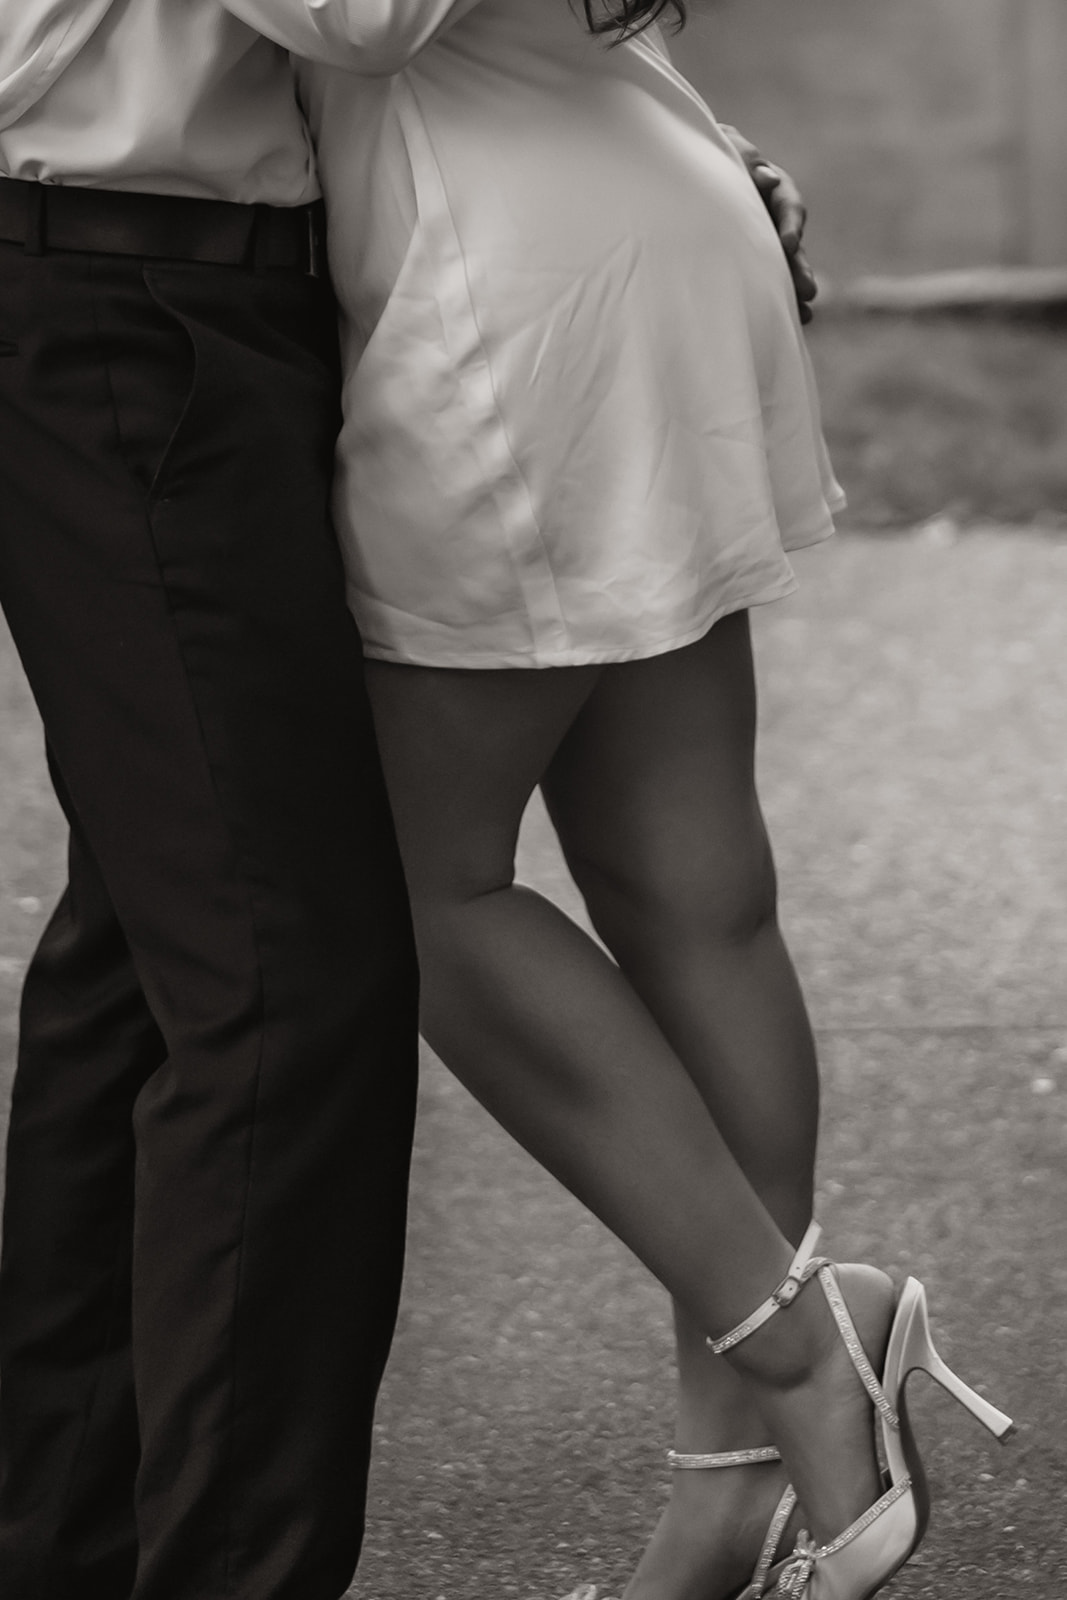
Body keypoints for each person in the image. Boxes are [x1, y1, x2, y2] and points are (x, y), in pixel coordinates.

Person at [217, 2, 1015, 1598]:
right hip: (629, 207)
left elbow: (361, 20)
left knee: (404, 887)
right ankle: (737, 1501)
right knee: (686, 891)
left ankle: (806, 1344)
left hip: (515, 301)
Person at [0, 6, 420, 1599]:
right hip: (115, 289)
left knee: (155, 965)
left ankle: (66, 1553)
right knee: (282, 980)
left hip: (198, 287)